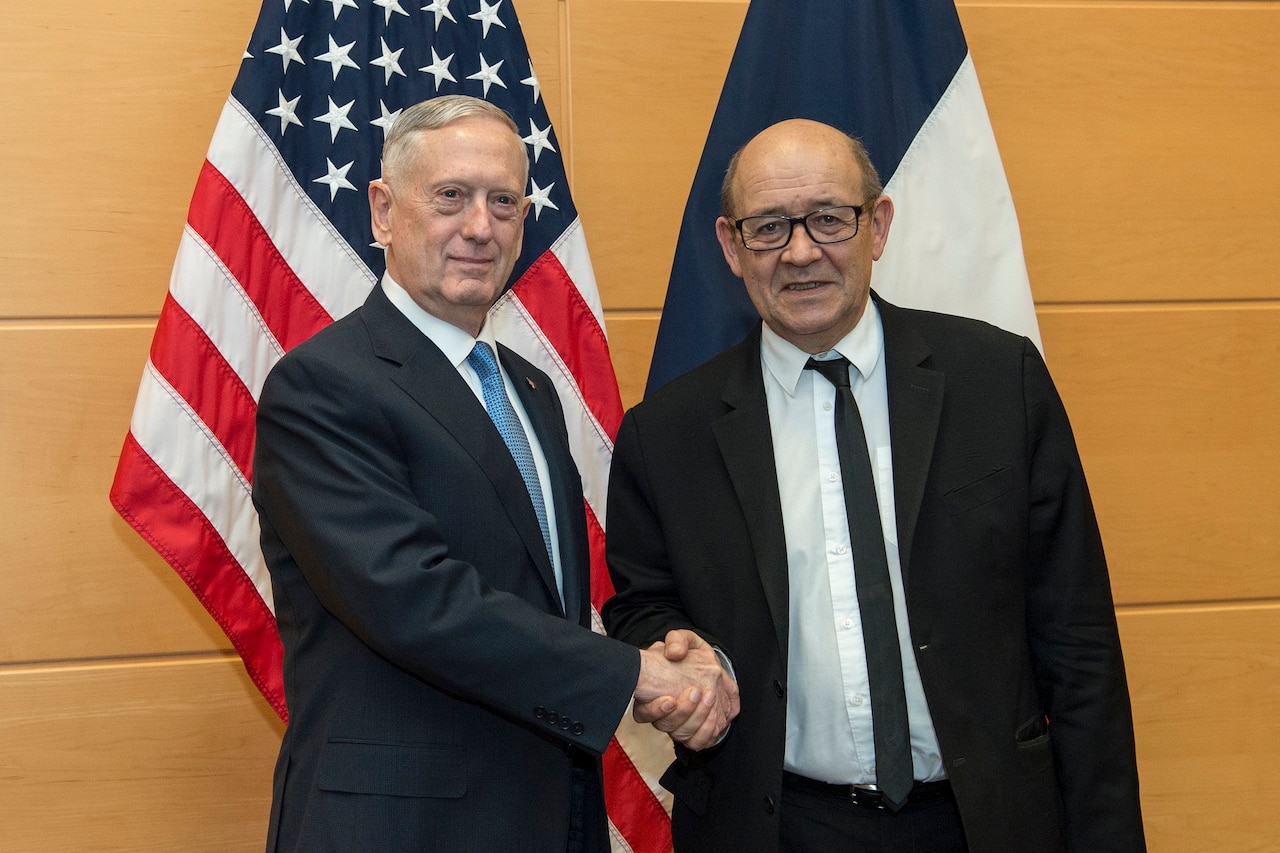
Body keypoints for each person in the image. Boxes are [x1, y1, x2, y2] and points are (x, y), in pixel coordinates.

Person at [603, 118, 1145, 852]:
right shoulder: (665, 435)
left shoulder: (999, 382)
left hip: (985, 821)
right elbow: (642, 604)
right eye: (769, 227)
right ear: (731, 246)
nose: (800, 252)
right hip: (778, 825)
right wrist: (695, 662)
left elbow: (1079, 644)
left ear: (878, 225)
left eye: (828, 218)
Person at [252, 95, 737, 853]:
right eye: (451, 196)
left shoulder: (528, 388)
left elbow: (545, 602)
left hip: (549, 813)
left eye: (504, 201)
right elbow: (414, 600)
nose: (481, 227)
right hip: (401, 826)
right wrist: (632, 675)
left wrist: (674, 654)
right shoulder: (323, 387)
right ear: (383, 212)